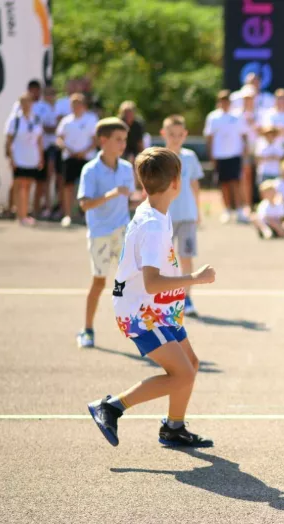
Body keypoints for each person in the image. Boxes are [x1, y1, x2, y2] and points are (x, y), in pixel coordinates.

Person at [87, 147, 216, 449]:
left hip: (158, 307)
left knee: (191, 365)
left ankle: (174, 428)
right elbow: (152, 281)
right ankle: (112, 406)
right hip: (141, 312)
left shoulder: (156, 212)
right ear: (175, 182)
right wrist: (195, 279)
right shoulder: (153, 225)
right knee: (181, 373)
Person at [76, 118, 135, 348]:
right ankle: (87, 329)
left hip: (123, 231)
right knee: (99, 283)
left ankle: (138, 328)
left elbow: (131, 199)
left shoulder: (128, 168)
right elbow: (84, 204)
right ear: (103, 141)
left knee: (131, 280)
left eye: (124, 140)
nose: (122, 144)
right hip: (100, 233)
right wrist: (111, 194)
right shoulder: (90, 170)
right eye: (118, 140)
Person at [161, 115, 205, 318]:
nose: (176, 138)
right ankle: (165, 297)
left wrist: (198, 210)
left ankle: (186, 298)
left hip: (187, 215)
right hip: (164, 217)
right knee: (164, 259)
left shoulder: (190, 157)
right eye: (171, 134)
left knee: (186, 257)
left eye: (179, 135)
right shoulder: (158, 158)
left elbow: (195, 185)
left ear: (185, 135)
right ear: (164, 134)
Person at [204, 90, 249, 224]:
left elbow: (243, 135)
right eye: (222, 101)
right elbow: (210, 138)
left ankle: (240, 209)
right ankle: (228, 209)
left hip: (235, 154)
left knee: (236, 182)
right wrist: (211, 155)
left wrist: (245, 149)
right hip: (220, 155)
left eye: (226, 100)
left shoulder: (237, 116)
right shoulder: (213, 117)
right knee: (224, 183)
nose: (224, 103)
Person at [56, 93, 98, 228]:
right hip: (69, 158)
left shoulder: (92, 119)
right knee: (67, 186)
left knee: (88, 188)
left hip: (87, 158)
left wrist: (83, 152)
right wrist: (68, 150)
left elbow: (95, 139)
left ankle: (88, 215)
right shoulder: (66, 120)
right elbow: (59, 138)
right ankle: (68, 215)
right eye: (73, 103)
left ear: (83, 104)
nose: (75, 106)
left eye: (78, 103)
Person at [5, 94, 44, 226]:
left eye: (29, 102)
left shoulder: (36, 119)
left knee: (28, 185)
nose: (26, 105)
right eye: (24, 102)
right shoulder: (14, 119)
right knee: (19, 185)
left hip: (31, 157)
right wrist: (10, 158)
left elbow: (39, 140)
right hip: (18, 157)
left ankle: (26, 213)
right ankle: (19, 214)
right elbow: (9, 141)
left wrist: (41, 157)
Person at [32, 86, 60, 220]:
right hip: (42, 147)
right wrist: (56, 127)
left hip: (54, 147)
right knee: (41, 180)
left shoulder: (57, 107)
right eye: (48, 93)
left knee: (52, 178)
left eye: (52, 93)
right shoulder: (38, 107)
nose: (50, 95)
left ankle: (49, 206)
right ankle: (39, 207)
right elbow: (43, 127)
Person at [234, 86, 260, 213]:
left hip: (260, 149)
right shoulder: (238, 115)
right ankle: (247, 205)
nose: (248, 100)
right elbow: (240, 133)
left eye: (250, 98)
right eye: (246, 98)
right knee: (246, 177)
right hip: (244, 150)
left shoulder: (260, 113)